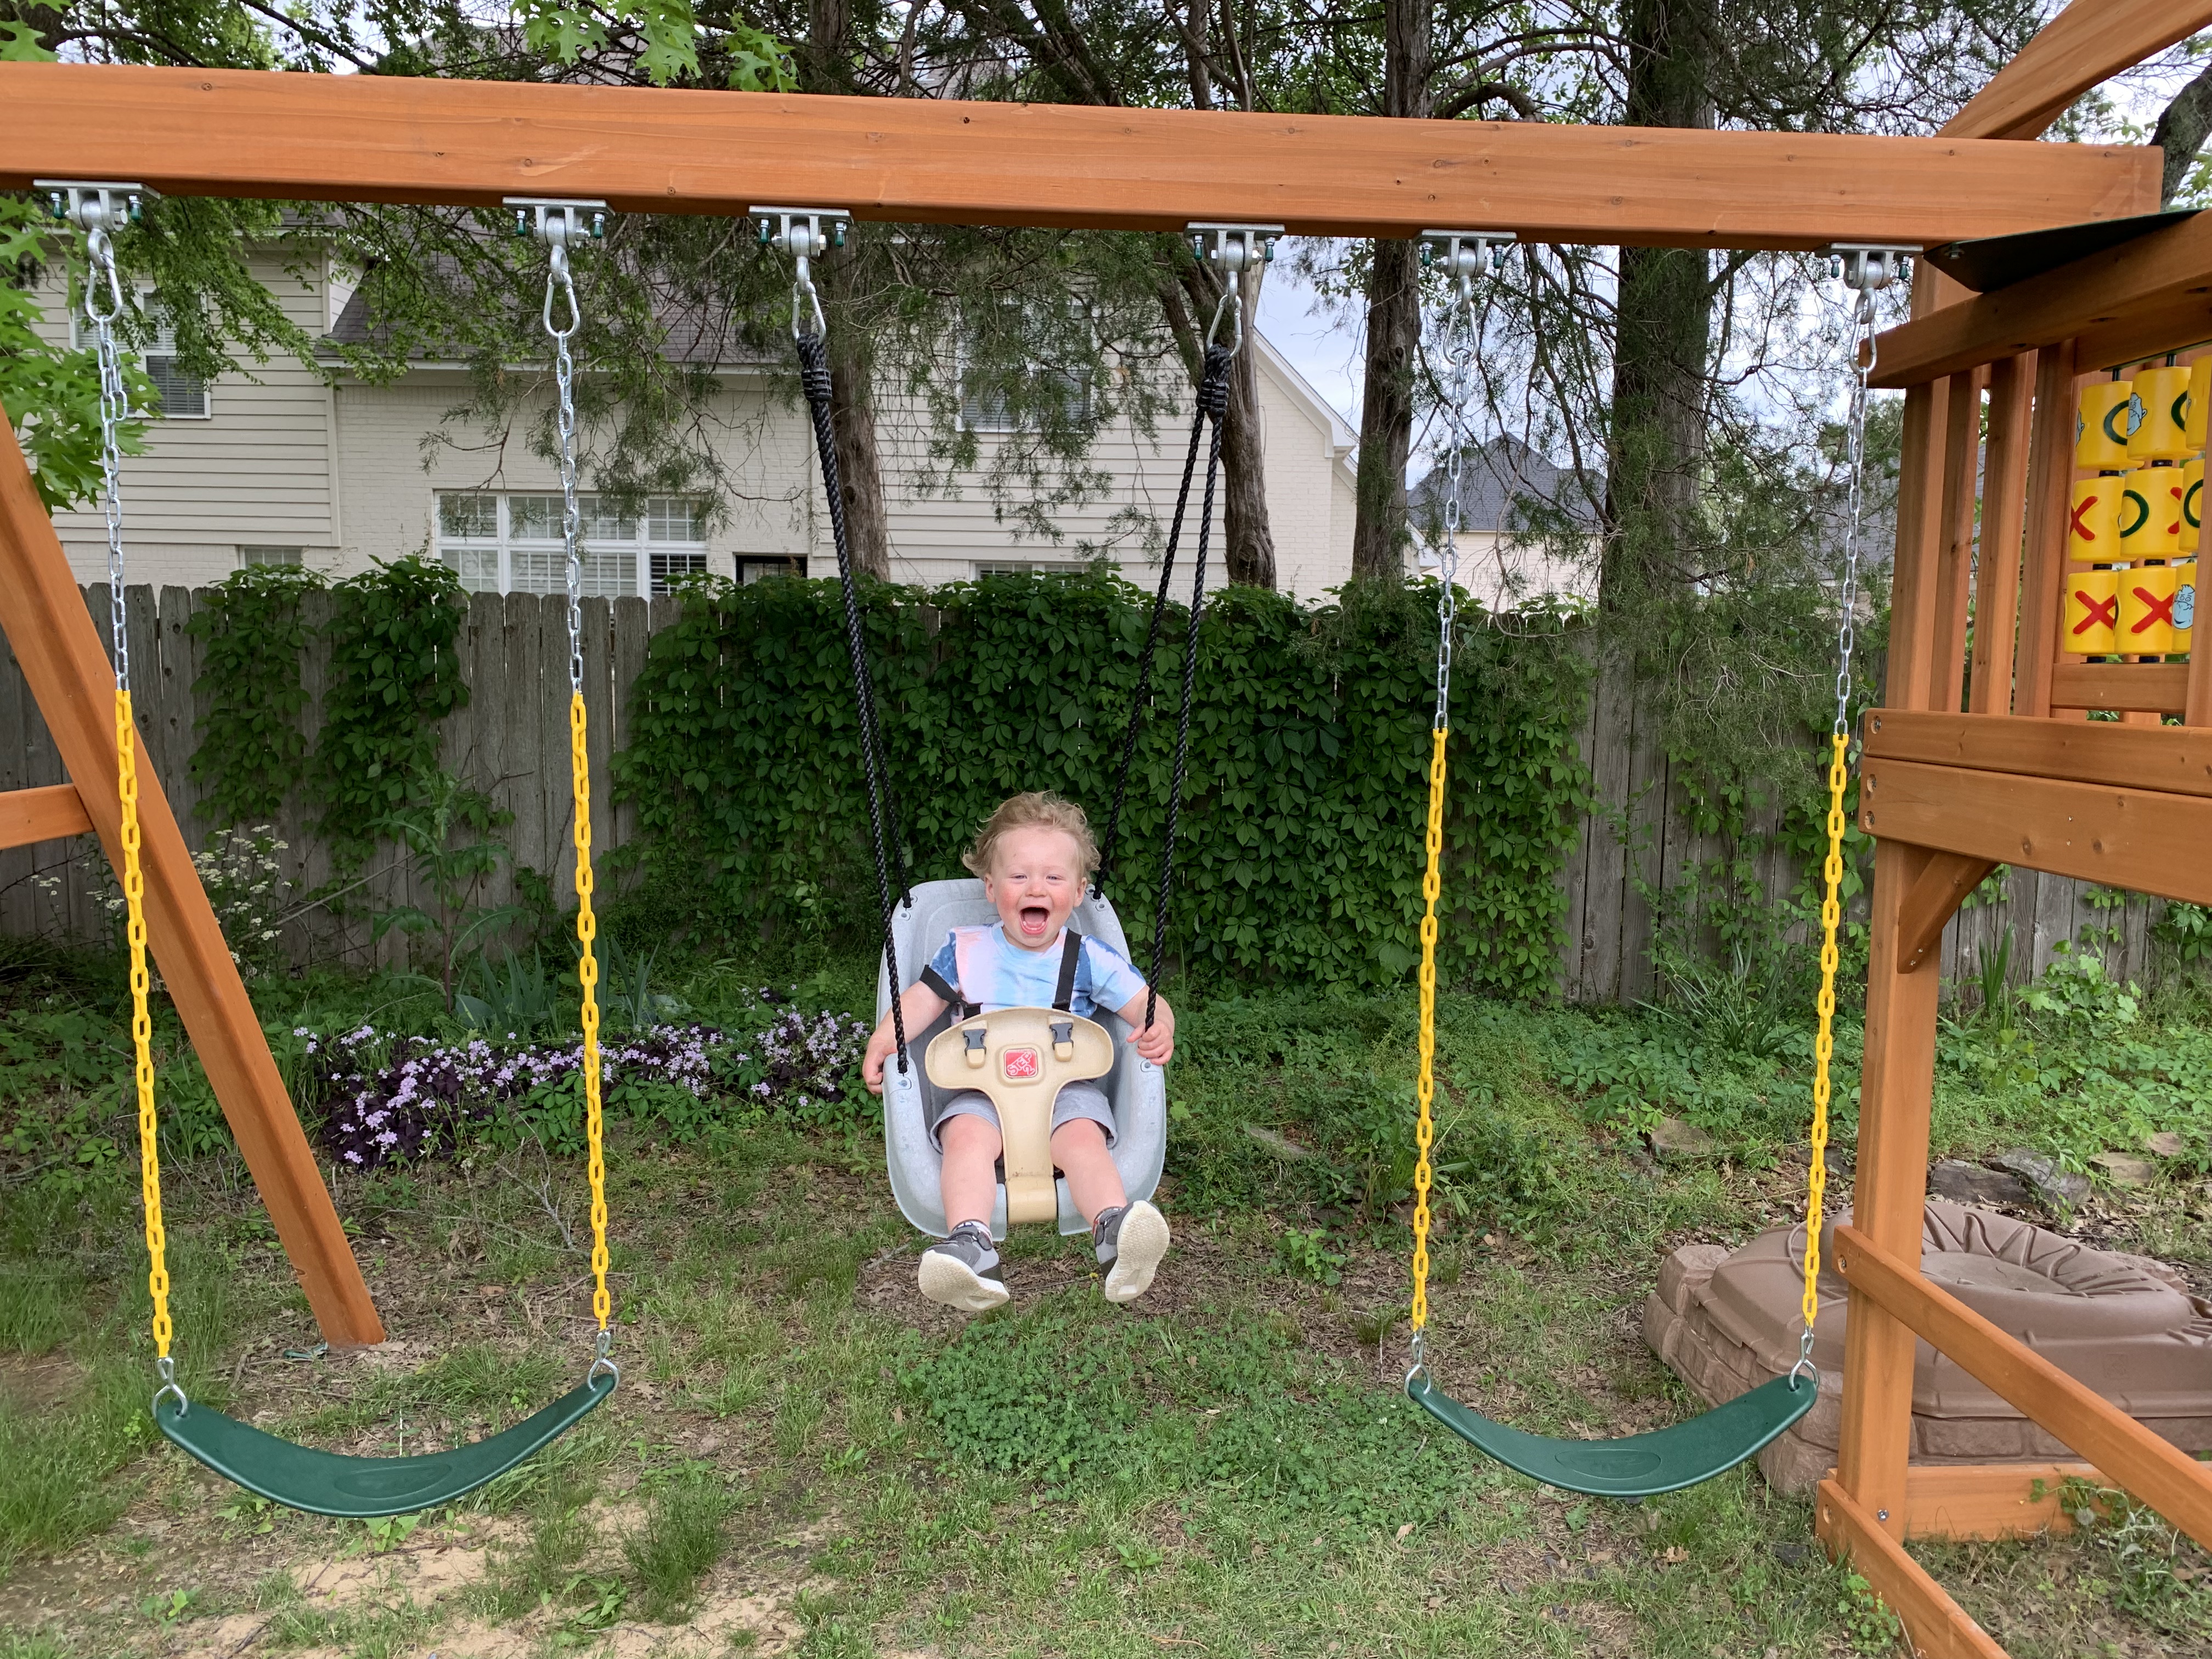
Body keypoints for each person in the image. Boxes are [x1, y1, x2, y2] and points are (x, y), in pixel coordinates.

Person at [864, 792, 1173, 1313]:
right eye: (1019, 876)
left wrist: (1159, 1026)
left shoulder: (1089, 958)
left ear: (1078, 892)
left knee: (1083, 1139)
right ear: (991, 888)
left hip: (1065, 1095)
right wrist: (882, 1039)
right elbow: (920, 1003)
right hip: (981, 1094)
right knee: (964, 1138)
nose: (1036, 888)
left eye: (1053, 877)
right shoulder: (965, 950)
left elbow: (1149, 1004)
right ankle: (972, 1245)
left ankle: (1114, 1232)